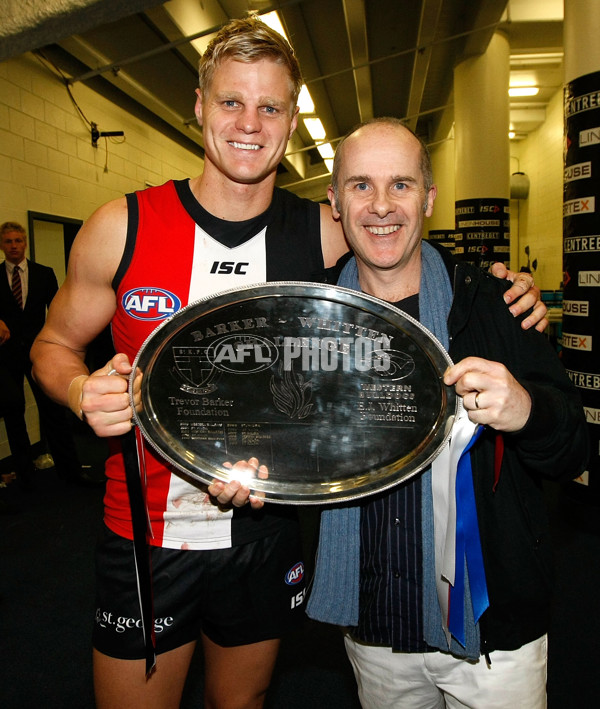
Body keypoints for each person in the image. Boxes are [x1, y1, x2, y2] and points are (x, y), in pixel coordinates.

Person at [30, 18, 546, 709]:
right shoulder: (122, 226)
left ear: (291, 116)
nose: (250, 123)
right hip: (146, 533)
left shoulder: (324, 231)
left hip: (266, 531)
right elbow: (51, 344)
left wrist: (509, 290)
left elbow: (405, 249)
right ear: (199, 105)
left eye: (270, 106)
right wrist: (74, 390)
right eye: (231, 102)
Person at [305, 118, 589, 708]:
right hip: (375, 623)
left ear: (429, 198)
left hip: (493, 637)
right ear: (334, 202)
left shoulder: (495, 303)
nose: (381, 206)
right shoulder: (306, 318)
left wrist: (527, 410)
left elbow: (574, 447)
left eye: (401, 185)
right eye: (360, 186)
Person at [0, 221, 88, 489]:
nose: (14, 246)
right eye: (8, 241)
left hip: (40, 352)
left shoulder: (43, 274)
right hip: (6, 354)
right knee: (13, 412)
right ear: (2, 245)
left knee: (53, 411)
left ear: (25, 243)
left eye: (18, 240)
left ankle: (71, 473)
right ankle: (25, 476)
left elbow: (59, 311)